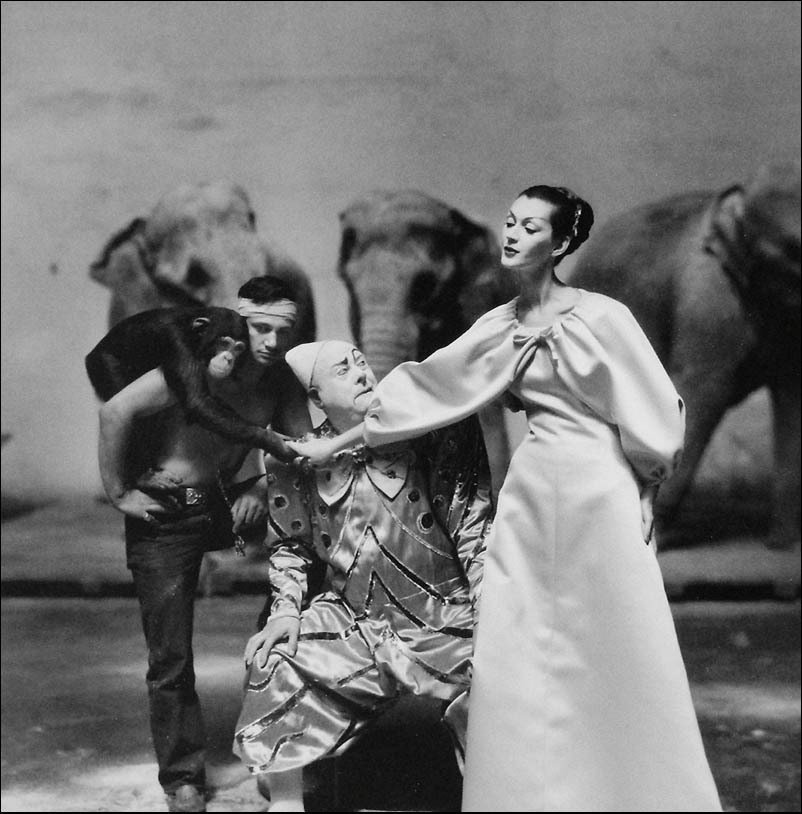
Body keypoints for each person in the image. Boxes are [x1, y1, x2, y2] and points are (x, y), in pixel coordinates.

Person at [290, 186, 722, 812]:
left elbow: (653, 412)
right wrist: (335, 446)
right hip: (529, 495)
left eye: (531, 227)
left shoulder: (604, 318)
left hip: (599, 492)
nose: (513, 235)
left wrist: (647, 486)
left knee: (615, 643)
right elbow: (422, 392)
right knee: (520, 651)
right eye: (511, 222)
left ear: (564, 243)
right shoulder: (498, 326)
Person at [232, 339, 493, 812]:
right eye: (341, 370)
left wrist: (489, 605)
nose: (360, 373)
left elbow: (472, 525)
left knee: (499, 673)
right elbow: (289, 546)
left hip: (441, 613)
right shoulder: (295, 460)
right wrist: (285, 611)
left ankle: (490, 793)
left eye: (361, 363)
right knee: (274, 658)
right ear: (316, 398)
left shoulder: (429, 434)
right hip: (354, 621)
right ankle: (287, 802)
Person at [97, 275, 312, 813]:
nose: (271, 343)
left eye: (284, 332)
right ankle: (183, 777)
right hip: (168, 514)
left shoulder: (279, 381)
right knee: (169, 655)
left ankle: (275, 752)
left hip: (229, 502)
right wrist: (120, 492)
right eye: (260, 328)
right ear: (238, 320)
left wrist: (262, 486)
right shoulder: (196, 363)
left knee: (313, 575)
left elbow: (299, 451)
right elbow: (114, 412)